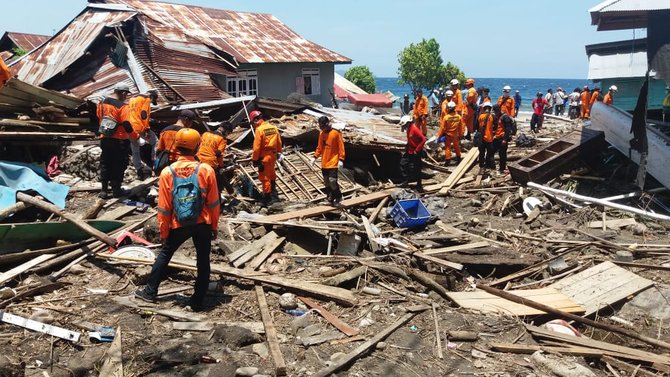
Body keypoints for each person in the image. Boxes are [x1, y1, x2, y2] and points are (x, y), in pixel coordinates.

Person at [134, 128, 220, 312]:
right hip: (202, 222)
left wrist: (165, 232)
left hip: (178, 224)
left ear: (177, 147)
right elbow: (213, 203)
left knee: (165, 254)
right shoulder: (206, 169)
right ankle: (197, 301)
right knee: (203, 260)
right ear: (197, 146)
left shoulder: (167, 172)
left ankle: (150, 292)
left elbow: (164, 208)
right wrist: (214, 225)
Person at [96, 83, 138, 199]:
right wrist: (135, 136)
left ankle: (104, 191)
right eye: (126, 94)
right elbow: (126, 124)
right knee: (118, 164)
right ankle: (116, 190)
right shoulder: (123, 106)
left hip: (104, 137)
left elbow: (99, 117)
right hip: (119, 139)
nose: (126, 97)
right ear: (123, 93)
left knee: (105, 162)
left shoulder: (101, 103)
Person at [250, 110, 282, 206]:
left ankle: (267, 199)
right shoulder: (273, 127)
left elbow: (256, 148)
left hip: (264, 158)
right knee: (272, 174)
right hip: (273, 156)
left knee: (265, 178)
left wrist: (255, 159)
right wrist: (279, 152)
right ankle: (274, 195)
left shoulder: (259, 130)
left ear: (256, 120)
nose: (253, 125)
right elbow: (279, 142)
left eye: (253, 122)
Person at [313, 116, 345, 205]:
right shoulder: (321, 134)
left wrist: (341, 159)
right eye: (320, 126)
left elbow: (341, 147)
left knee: (332, 180)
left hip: (333, 161)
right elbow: (319, 147)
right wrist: (315, 157)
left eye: (322, 126)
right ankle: (330, 198)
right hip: (324, 162)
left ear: (327, 124)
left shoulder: (336, 133)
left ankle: (338, 197)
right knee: (326, 182)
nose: (321, 128)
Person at [197, 121, 235, 197]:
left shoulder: (205, 134)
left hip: (198, 160)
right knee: (218, 181)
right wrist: (221, 166)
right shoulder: (222, 140)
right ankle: (228, 192)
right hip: (211, 163)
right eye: (228, 133)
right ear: (226, 131)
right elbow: (219, 154)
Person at [129, 89, 159, 180]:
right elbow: (144, 115)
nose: (151, 102)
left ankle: (139, 169)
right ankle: (155, 164)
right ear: (152, 96)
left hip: (131, 128)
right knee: (156, 142)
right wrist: (146, 129)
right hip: (140, 127)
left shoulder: (132, 99)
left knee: (135, 150)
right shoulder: (146, 99)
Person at [399, 115, 426, 192]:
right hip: (409, 151)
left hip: (416, 152)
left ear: (408, 123)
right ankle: (405, 182)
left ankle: (419, 185)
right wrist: (407, 146)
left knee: (417, 168)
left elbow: (423, 139)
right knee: (403, 164)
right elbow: (410, 139)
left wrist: (417, 150)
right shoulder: (408, 129)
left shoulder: (414, 129)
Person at [491, 104, 515, 175]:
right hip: (497, 138)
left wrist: (505, 139)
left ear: (499, 110)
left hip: (502, 138)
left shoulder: (505, 117)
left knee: (502, 154)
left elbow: (508, 129)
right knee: (491, 152)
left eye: (496, 111)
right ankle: (492, 166)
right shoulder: (498, 117)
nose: (495, 113)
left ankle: (502, 168)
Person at [436, 101, 462, 166]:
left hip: (448, 135)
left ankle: (448, 161)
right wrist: (460, 135)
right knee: (457, 146)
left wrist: (439, 136)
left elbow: (442, 128)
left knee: (447, 148)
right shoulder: (458, 117)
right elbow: (461, 127)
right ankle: (459, 159)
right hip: (455, 135)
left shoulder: (446, 117)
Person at [475, 102, 495, 170]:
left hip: (481, 138)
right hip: (489, 138)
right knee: (490, 153)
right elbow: (495, 126)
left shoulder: (480, 116)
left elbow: (476, 126)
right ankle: (488, 164)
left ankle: (481, 165)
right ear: (490, 109)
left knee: (481, 153)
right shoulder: (492, 116)